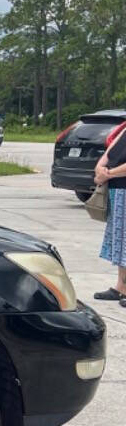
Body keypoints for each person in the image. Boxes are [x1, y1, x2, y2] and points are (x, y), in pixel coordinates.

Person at [94, 124, 126, 303]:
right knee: (121, 242)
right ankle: (121, 288)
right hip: (118, 192)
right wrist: (99, 169)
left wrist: (109, 174)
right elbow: (108, 155)